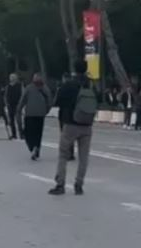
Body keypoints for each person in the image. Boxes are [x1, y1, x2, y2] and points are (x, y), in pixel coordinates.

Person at [49, 60, 96, 196]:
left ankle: (60, 184)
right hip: (87, 125)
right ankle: (79, 185)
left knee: (63, 155)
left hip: (70, 123)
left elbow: (58, 101)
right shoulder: (91, 84)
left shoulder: (69, 84)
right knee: (83, 157)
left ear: (74, 69)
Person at [17, 73, 52, 161]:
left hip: (30, 114)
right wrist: (46, 110)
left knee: (28, 133)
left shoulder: (29, 88)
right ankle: (36, 149)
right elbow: (50, 101)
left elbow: (23, 100)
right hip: (40, 115)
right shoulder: (45, 88)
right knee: (38, 134)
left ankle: (33, 148)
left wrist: (19, 109)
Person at [4, 74, 24, 139]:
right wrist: (6, 103)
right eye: (11, 77)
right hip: (10, 106)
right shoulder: (8, 87)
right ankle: (14, 134)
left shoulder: (20, 86)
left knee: (19, 121)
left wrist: (21, 103)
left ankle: (21, 134)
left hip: (18, 105)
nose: (12, 78)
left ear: (16, 78)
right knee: (11, 121)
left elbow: (23, 95)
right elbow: (5, 96)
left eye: (13, 77)